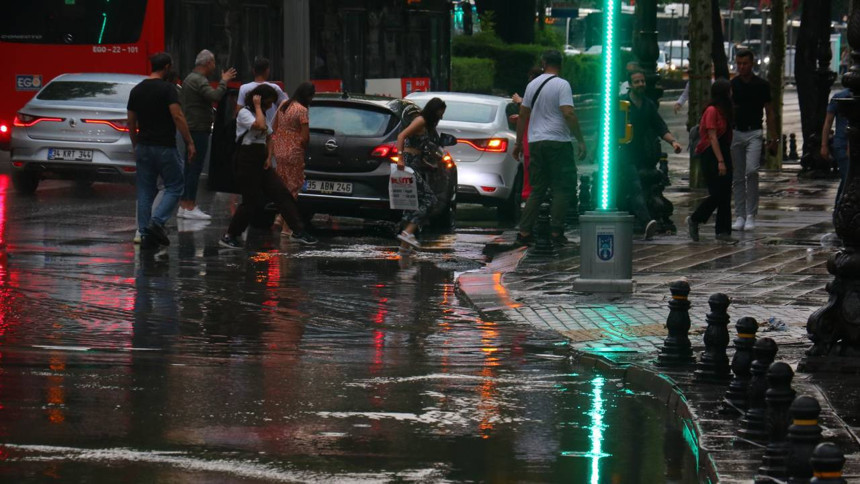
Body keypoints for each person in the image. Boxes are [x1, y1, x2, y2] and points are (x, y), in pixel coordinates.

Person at [219, 84, 317, 248]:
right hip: (246, 160)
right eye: (268, 102)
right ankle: (230, 235)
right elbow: (261, 126)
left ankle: (298, 230)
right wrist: (257, 106)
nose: (271, 106)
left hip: (261, 159)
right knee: (250, 201)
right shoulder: (244, 113)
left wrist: (269, 156)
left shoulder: (262, 112)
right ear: (259, 100)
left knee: (281, 193)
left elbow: (270, 135)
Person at [513, 50, 586, 246]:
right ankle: (556, 231)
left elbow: (523, 115)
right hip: (558, 142)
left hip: (536, 143)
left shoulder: (532, 85)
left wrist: (519, 143)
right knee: (563, 187)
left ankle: (525, 231)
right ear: (561, 64)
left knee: (538, 188)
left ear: (543, 62)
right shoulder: (562, 85)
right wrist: (580, 139)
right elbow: (568, 113)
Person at [127, 52, 195, 250]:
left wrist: (135, 144)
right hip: (164, 146)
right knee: (175, 186)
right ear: (166, 67)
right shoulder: (168, 89)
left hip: (143, 146)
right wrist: (189, 142)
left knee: (145, 190)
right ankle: (157, 222)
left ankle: (145, 232)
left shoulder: (137, 90)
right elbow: (178, 116)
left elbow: (131, 121)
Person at [619, 69, 682, 239]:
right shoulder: (622, 104)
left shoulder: (648, 105)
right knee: (634, 187)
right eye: (637, 82)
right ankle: (647, 221)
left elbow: (659, 126)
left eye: (642, 81)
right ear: (630, 85)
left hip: (640, 153)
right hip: (623, 153)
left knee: (634, 188)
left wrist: (673, 142)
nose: (641, 85)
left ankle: (635, 220)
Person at [178, 49, 237, 220]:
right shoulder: (198, 80)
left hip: (192, 127)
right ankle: (189, 206)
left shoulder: (190, 78)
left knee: (189, 167)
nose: (214, 66)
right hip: (198, 129)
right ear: (207, 63)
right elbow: (216, 96)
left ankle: (184, 204)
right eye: (213, 62)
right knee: (194, 168)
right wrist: (224, 81)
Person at [730, 49, 776, 232]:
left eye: (745, 63)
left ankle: (751, 214)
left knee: (752, 171)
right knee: (738, 176)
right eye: (739, 63)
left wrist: (774, 138)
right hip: (736, 133)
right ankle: (740, 214)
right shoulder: (733, 85)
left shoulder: (761, 85)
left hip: (754, 132)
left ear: (752, 63)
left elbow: (770, 112)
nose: (741, 67)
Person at [394, 98, 447, 249]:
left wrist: (430, 159)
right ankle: (407, 232)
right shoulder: (420, 120)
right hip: (409, 163)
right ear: (433, 110)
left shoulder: (428, 124)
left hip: (417, 163)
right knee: (429, 199)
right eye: (440, 112)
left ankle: (405, 244)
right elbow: (401, 136)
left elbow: (422, 146)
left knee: (414, 201)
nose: (441, 116)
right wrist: (399, 158)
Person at [687, 79, 735, 243]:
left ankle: (723, 231)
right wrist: (720, 161)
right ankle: (695, 218)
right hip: (711, 154)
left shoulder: (725, 111)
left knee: (725, 193)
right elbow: (712, 137)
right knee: (717, 193)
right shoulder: (712, 111)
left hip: (724, 151)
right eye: (729, 91)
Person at [271, 82, 315, 235]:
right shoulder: (302, 110)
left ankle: (280, 217)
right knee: (294, 186)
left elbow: (274, 126)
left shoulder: (284, 104)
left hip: (280, 150)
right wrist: (304, 147)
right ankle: (286, 226)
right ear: (307, 96)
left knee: (283, 185)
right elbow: (304, 137)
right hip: (294, 152)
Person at [510, 66, 544, 201]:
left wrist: (520, 103)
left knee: (530, 181)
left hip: (531, 144)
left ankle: (530, 208)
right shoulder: (545, 93)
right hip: (536, 143)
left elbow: (529, 114)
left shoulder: (533, 95)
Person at [821, 86, 852, 207]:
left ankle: (839, 207)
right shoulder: (841, 98)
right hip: (842, 145)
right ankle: (840, 207)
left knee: (847, 179)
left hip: (845, 144)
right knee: (847, 178)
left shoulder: (840, 97)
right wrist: (824, 145)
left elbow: (828, 122)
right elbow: (828, 122)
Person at [237, 57, 289, 127]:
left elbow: (239, 109)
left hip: (251, 127)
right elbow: (286, 107)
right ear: (267, 71)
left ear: (253, 71)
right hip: (271, 127)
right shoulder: (274, 88)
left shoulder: (244, 88)